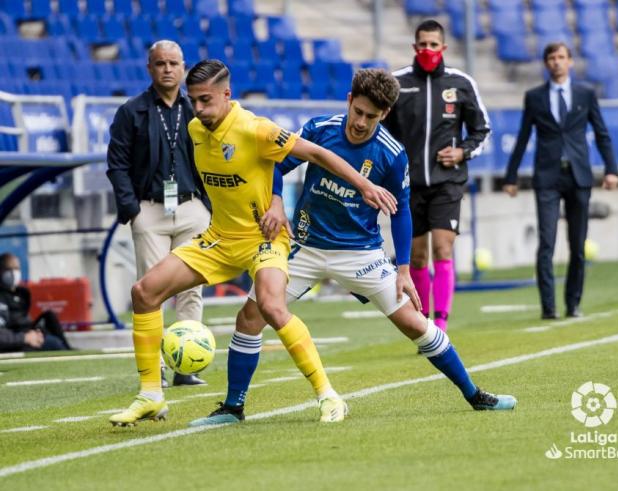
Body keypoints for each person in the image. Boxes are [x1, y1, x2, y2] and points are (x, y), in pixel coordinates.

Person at [188, 69, 516, 428]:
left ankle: (475, 395)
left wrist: (404, 269)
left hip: (360, 253)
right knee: (249, 318)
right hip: (305, 247)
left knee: (415, 325)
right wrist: (277, 202)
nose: (360, 122)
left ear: (385, 114)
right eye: (357, 111)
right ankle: (233, 407)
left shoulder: (391, 154)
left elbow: (401, 210)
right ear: (348, 100)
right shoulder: (320, 129)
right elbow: (275, 166)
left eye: (371, 116)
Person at [109, 60, 398, 427]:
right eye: (193, 100)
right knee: (144, 292)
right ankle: (150, 395)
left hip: (264, 241)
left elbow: (318, 154)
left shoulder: (256, 129)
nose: (198, 109)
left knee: (273, 309)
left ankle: (329, 396)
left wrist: (364, 185)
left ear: (227, 95)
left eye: (206, 100)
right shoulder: (196, 129)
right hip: (218, 239)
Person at [106, 40, 211, 386]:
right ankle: (155, 370)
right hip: (149, 210)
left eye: (173, 63)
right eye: (160, 63)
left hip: (192, 207)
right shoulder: (131, 111)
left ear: (183, 68)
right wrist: (132, 209)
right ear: (149, 68)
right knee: (151, 290)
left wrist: (210, 206)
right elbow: (117, 164)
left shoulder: (198, 108)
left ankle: (187, 367)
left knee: (192, 289)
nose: (167, 69)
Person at [383, 20, 490, 332]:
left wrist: (462, 152)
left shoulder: (461, 83)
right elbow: (382, 130)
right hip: (409, 185)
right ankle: (423, 320)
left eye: (433, 44)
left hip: (448, 182)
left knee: (443, 248)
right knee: (416, 258)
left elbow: (482, 129)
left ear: (443, 47)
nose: (428, 49)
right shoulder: (397, 83)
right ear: (414, 47)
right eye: (422, 44)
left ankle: (441, 323)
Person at [503, 42, 618, 319]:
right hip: (547, 178)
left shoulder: (585, 94)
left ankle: (573, 304)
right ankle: (549, 307)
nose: (556, 62)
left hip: (579, 177)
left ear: (570, 62)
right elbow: (522, 137)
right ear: (546, 64)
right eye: (552, 58)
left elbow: (601, 133)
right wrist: (511, 176)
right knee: (547, 243)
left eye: (561, 57)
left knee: (577, 245)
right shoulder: (534, 97)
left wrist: (612, 169)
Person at [0, 253, 71, 352]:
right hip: (17, 339)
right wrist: (25, 338)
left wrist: (35, 333)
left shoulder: (22, 293)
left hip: (27, 333)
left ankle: (69, 350)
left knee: (49, 316)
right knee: (53, 343)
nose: (13, 273)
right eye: (9, 269)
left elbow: (25, 320)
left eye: (16, 269)